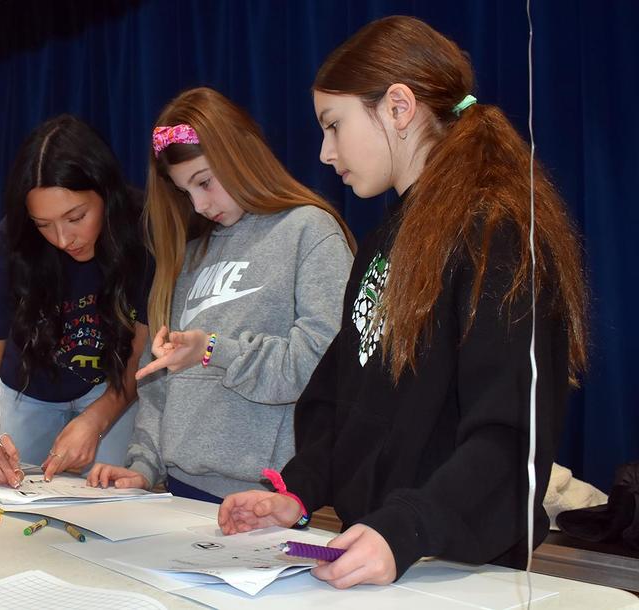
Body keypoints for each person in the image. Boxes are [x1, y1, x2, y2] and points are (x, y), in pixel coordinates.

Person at [218, 16, 589, 588]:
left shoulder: (499, 233)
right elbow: (348, 391)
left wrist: (408, 528)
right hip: (382, 556)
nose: (324, 152)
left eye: (334, 125)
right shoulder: (385, 239)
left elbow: (510, 437)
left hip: (463, 570)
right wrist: (298, 491)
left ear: (398, 106)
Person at [86, 87, 356, 502]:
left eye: (204, 182)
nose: (197, 205)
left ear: (239, 154)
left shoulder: (308, 231)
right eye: (184, 191)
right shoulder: (190, 256)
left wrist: (213, 349)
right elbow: (158, 386)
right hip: (179, 491)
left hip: (268, 498)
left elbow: (322, 367)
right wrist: (142, 466)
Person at [0, 114, 151, 487]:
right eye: (44, 225)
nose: (64, 239)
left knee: (108, 500)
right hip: (28, 389)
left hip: (111, 385)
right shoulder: (8, 245)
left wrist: (96, 420)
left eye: (76, 217)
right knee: (13, 495)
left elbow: (139, 361)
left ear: (106, 193)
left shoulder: (143, 232)